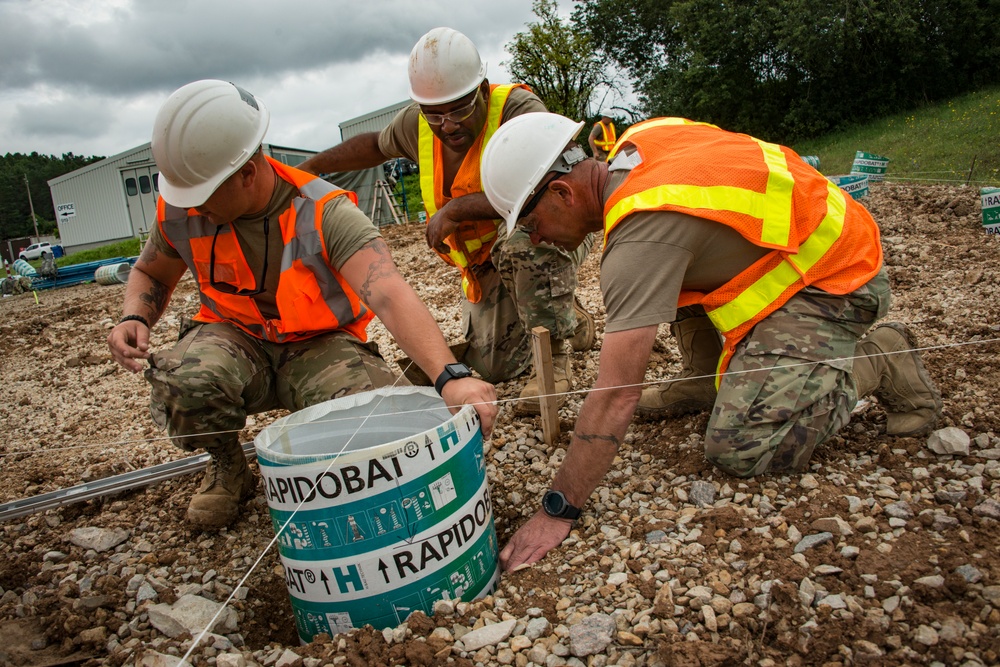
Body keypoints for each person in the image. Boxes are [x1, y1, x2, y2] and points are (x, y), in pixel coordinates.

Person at [479, 112, 942, 570]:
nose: (534, 236)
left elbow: (617, 394)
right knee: (667, 279)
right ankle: (707, 380)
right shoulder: (644, 139)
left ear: (562, 191)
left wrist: (558, 509)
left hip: (836, 280)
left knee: (741, 446)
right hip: (813, 240)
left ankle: (880, 357)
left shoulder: (643, 235)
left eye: (530, 222)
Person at [107, 80, 498, 531]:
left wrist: (449, 377)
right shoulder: (182, 207)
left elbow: (388, 293)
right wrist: (135, 315)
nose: (193, 207)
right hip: (233, 336)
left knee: (376, 416)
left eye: (203, 197)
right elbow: (152, 272)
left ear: (248, 173)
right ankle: (227, 465)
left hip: (319, 345)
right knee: (185, 380)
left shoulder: (323, 211)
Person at [299, 27, 596, 415]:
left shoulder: (519, 110)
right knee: (495, 366)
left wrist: (455, 210)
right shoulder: (418, 124)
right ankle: (569, 315)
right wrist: (310, 169)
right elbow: (373, 145)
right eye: (435, 114)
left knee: (522, 245)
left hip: (549, 230)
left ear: (483, 91)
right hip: (486, 260)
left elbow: (540, 189)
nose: (448, 125)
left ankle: (554, 362)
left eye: (459, 110)